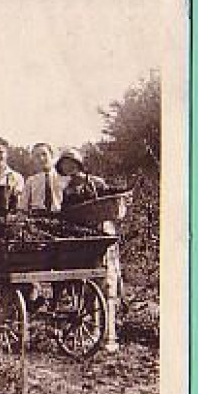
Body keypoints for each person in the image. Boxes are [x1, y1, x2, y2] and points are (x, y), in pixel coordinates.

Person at [56, 148, 120, 350]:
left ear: (79, 165)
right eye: (65, 166)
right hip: (81, 242)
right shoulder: (67, 190)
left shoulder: (96, 183)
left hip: (102, 238)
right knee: (84, 288)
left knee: (106, 287)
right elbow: (66, 217)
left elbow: (110, 206)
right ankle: (91, 333)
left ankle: (109, 337)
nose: (70, 169)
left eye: (72, 164)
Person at [18, 142, 64, 216]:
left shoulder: (62, 178)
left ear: (51, 155)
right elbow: (23, 206)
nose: (41, 159)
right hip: (37, 217)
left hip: (59, 215)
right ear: (33, 160)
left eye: (44, 154)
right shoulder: (31, 181)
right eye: (37, 156)